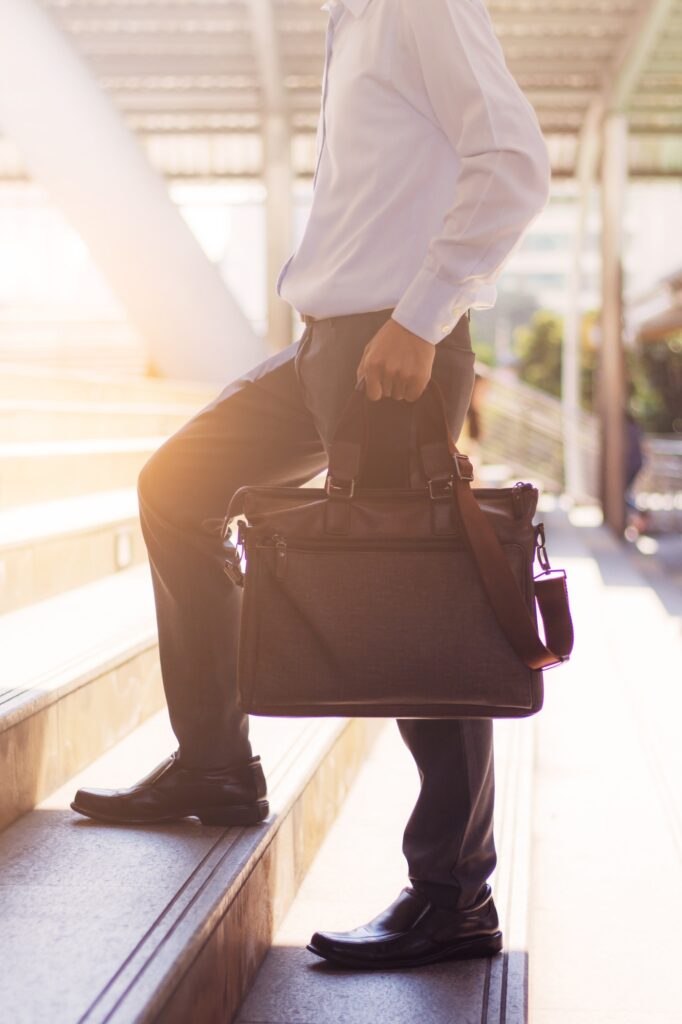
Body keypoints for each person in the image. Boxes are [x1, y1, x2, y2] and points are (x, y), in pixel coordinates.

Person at [71, 0, 550, 969]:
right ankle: (215, 760)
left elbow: (513, 162)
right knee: (177, 487)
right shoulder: (349, 14)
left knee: (422, 601)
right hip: (325, 346)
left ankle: (453, 892)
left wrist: (419, 318)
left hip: (394, 345)